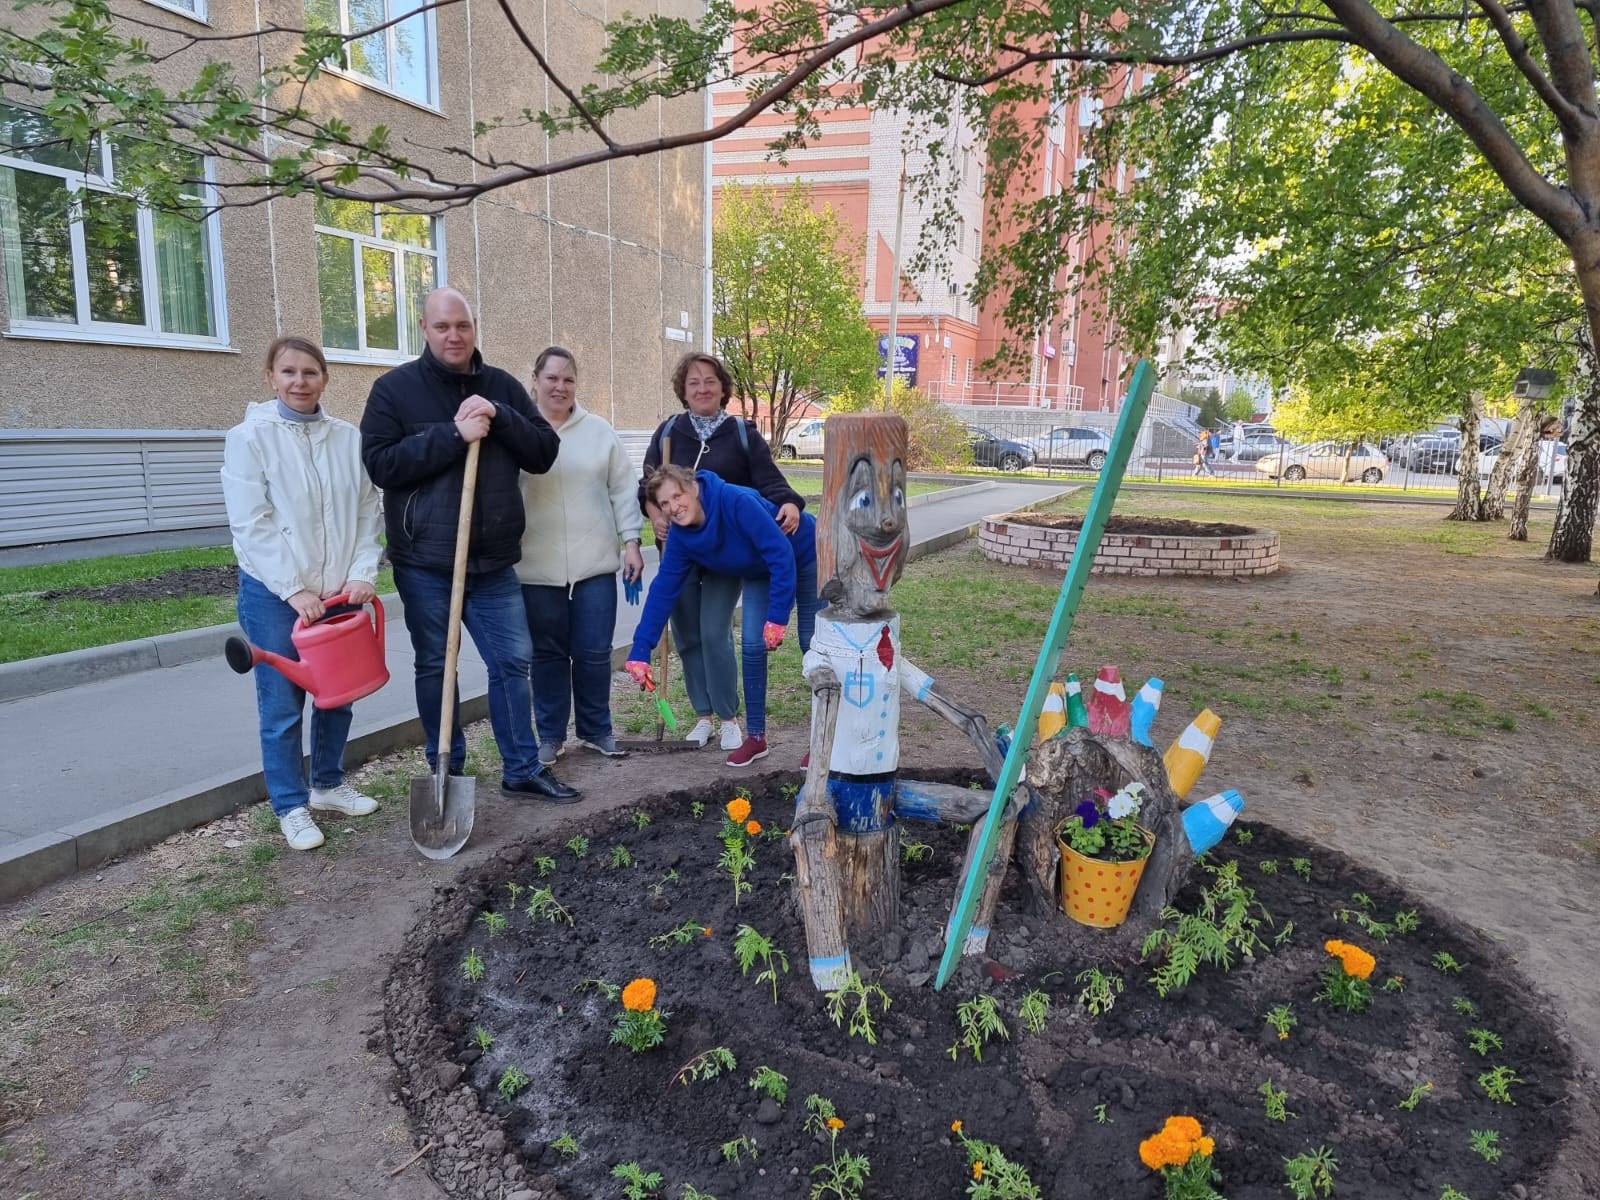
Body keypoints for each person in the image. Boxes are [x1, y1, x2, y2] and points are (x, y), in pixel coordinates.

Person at [360, 288, 580, 802]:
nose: (453, 336)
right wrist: (454, 435)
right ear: (424, 328)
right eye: (442, 327)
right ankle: (447, 769)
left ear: (474, 325)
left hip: (494, 561)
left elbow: (544, 452)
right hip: (424, 562)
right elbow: (381, 464)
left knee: (513, 661)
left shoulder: (500, 386)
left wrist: (501, 417)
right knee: (438, 665)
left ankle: (522, 769)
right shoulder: (393, 391)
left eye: (462, 325)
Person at [221, 337, 384, 850]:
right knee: (283, 704)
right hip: (275, 598)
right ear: (270, 376)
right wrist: (292, 590)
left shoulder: (347, 438)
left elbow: (366, 509)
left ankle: (329, 785)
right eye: (288, 372)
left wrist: (362, 572)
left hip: (338, 594)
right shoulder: (249, 439)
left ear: (325, 379)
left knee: (338, 694)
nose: (299, 382)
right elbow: (251, 523)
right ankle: (290, 805)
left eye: (310, 372)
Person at [637, 352, 805, 752]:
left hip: (724, 552)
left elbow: (770, 482)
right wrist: (655, 515)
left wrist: (791, 503)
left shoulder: (741, 433)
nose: (702, 388)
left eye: (710, 380)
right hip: (678, 548)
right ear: (683, 389)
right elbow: (648, 487)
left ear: (722, 388)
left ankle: (729, 716)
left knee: (713, 630)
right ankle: (703, 715)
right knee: (687, 635)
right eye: (693, 382)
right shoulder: (668, 432)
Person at [625, 465, 820, 767]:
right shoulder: (680, 536)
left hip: (806, 554)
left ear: (693, 487)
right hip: (760, 569)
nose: (673, 508)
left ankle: (822, 742)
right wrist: (640, 650)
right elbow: (664, 589)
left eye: (677, 496)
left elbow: (781, 553)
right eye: (664, 503)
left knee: (813, 645)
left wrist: (778, 616)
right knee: (753, 645)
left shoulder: (733, 500)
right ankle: (756, 738)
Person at [516, 346, 645, 763]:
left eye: (568, 379)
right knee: (547, 655)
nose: (560, 386)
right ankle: (551, 735)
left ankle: (596, 729)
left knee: (593, 652)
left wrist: (631, 542)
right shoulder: (518, 430)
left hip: (594, 564)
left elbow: (623, 489)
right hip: (535, 567)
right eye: (551, 378)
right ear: (535, 380)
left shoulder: (599, 431)